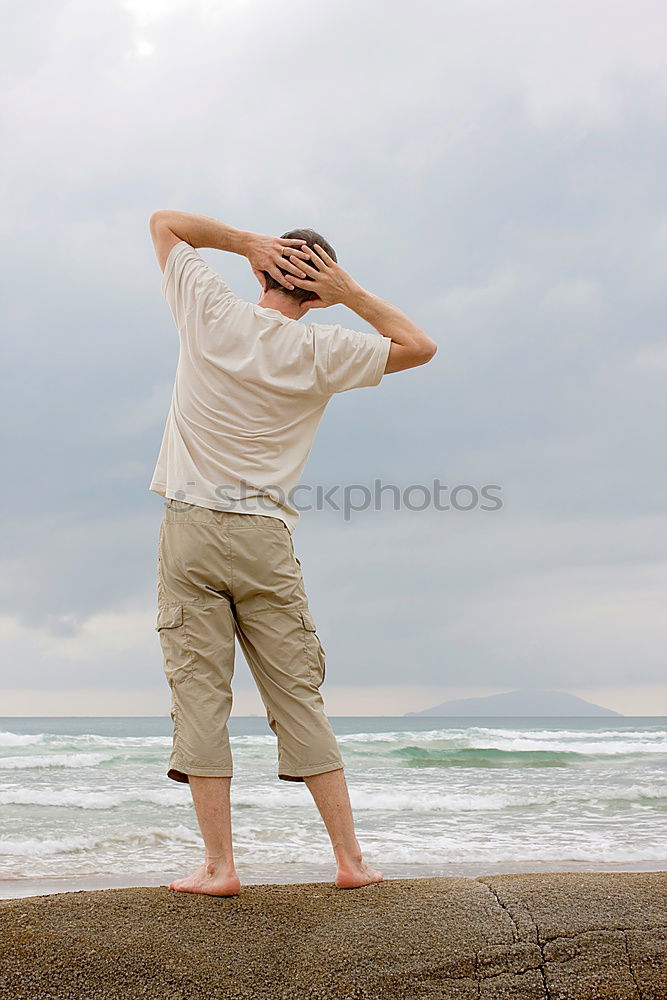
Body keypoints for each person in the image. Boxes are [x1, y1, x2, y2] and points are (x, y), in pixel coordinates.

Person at [148, 210, 437, 896]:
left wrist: (245, 241)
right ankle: (350, 861)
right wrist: (354, 294)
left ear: (260, 271)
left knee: (199, 698)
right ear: (321, 290)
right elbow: (419, 346)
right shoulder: (325, 350)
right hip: (264, 540)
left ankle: (219, 868)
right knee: (298, 699)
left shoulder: (208, 309)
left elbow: (166, 223)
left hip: (190, 530)